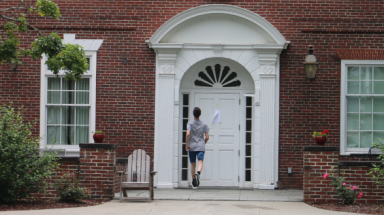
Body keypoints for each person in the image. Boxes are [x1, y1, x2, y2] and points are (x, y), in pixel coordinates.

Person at [185, 107, 209, 189]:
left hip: (192, 146)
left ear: (193, 114)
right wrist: (203, 142)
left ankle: (194, 181)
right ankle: (198, 173)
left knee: (192, 164)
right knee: (200, 161)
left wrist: (186, 144)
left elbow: (188, 134)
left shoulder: (190, 123)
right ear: (200, 114)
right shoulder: (204, 124)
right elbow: (207, 137)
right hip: (200, 145)